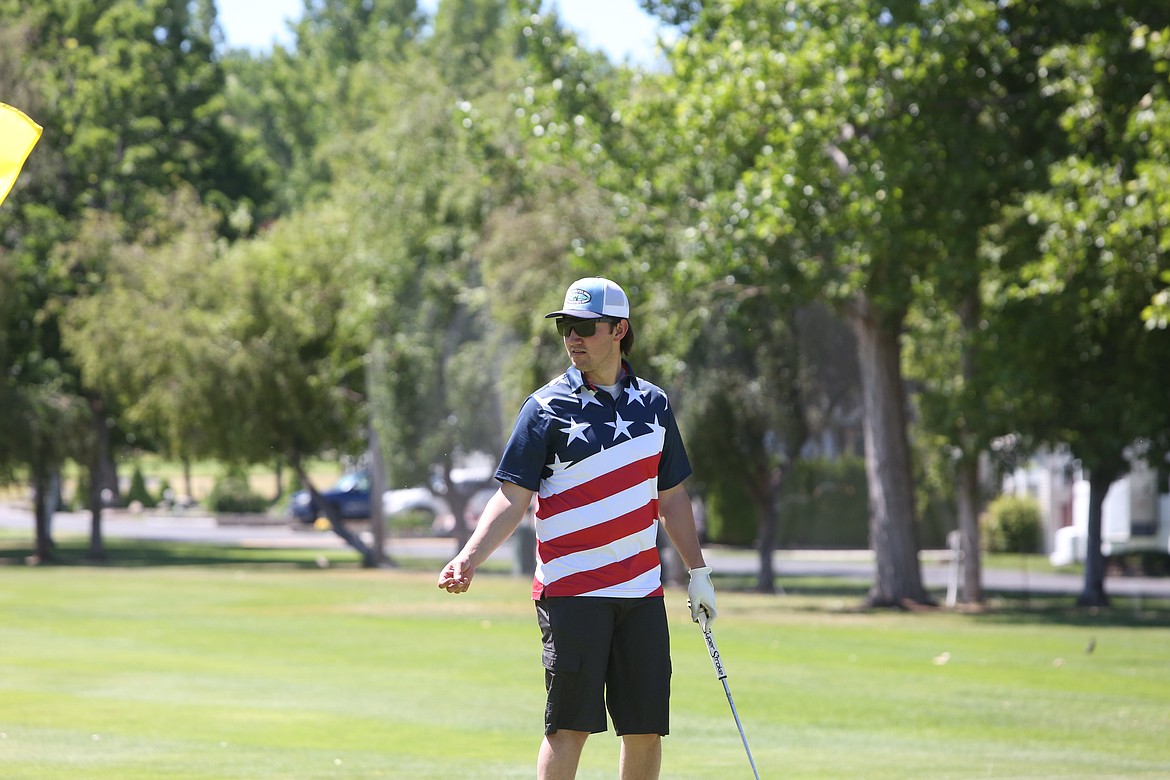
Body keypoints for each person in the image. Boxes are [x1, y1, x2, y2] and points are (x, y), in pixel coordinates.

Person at [437, 277, 717, 780]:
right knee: (569, 728)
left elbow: (672, 498)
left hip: (641, 593)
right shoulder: (544, 408)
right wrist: (469, 556)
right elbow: (512, 496)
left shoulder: (654, 405)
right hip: (572, 592)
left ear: (619, 330)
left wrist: (698, 573)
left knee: (645, 727)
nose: (573, 338)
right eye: (567, 327)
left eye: (585, 327)